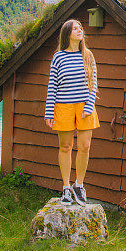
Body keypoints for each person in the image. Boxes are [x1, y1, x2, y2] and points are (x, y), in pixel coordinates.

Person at [44, 17, 99, 206]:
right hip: (63, 106)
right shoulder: (58, 57)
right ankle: (66, 188)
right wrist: (49, 112)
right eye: (75, 28)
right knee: (65, 147)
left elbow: (94, 83)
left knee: (85, 146)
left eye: (81, 28)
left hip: (85, 106)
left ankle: (79, 185)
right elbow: (52, 86)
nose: (79, 30)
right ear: (67, 33)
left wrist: (89, 105)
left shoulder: (88, 55)